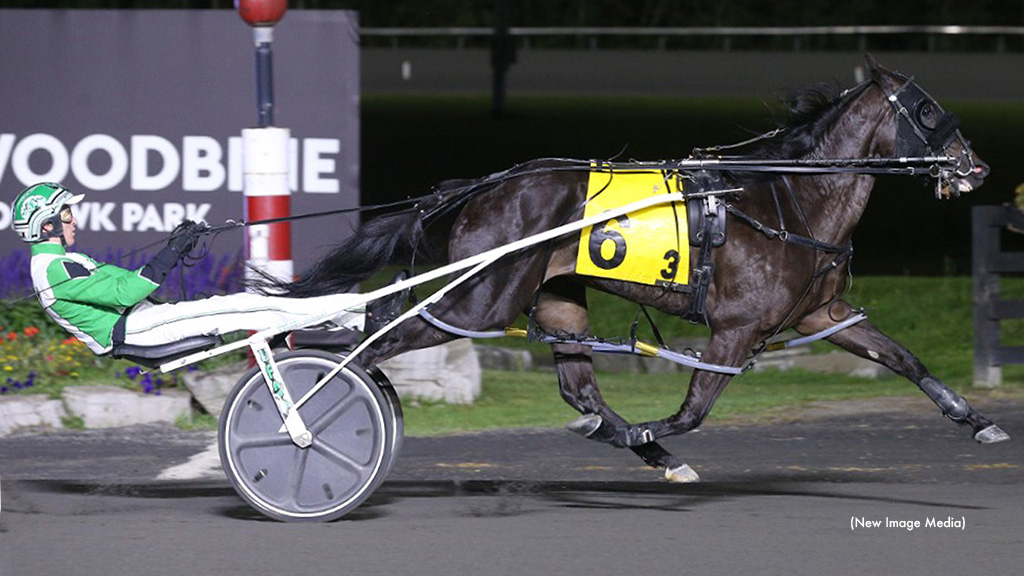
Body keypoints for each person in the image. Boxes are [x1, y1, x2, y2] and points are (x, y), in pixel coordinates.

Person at [12, 182, 364, 355]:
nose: (73, 220)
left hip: (143, 321)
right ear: (47, 227)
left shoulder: (60, 263)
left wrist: (173, 250)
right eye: (66, 214)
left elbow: (127, 282)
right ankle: (357, 315)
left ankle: (351, 315)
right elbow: (129, 291)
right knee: (245, 306)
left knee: (247, 305)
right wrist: (173, 251)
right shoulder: (53, 269)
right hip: (137, 330)